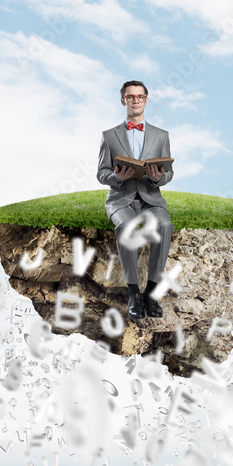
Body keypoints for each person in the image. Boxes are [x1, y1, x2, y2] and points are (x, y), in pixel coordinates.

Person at [96, 81, 174, 321]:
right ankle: (133, 294)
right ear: (123, 101)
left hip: (151, 199)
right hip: (121, 199)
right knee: (126, 227)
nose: (135, 100)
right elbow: (101, 173)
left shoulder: (162, 135)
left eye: (140, 96)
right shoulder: (109, 136)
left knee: (164, 225)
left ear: (146, 100)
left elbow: (169, 173)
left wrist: (157, 178)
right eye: (131, 97)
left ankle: (151, 293)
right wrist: (116, 177)